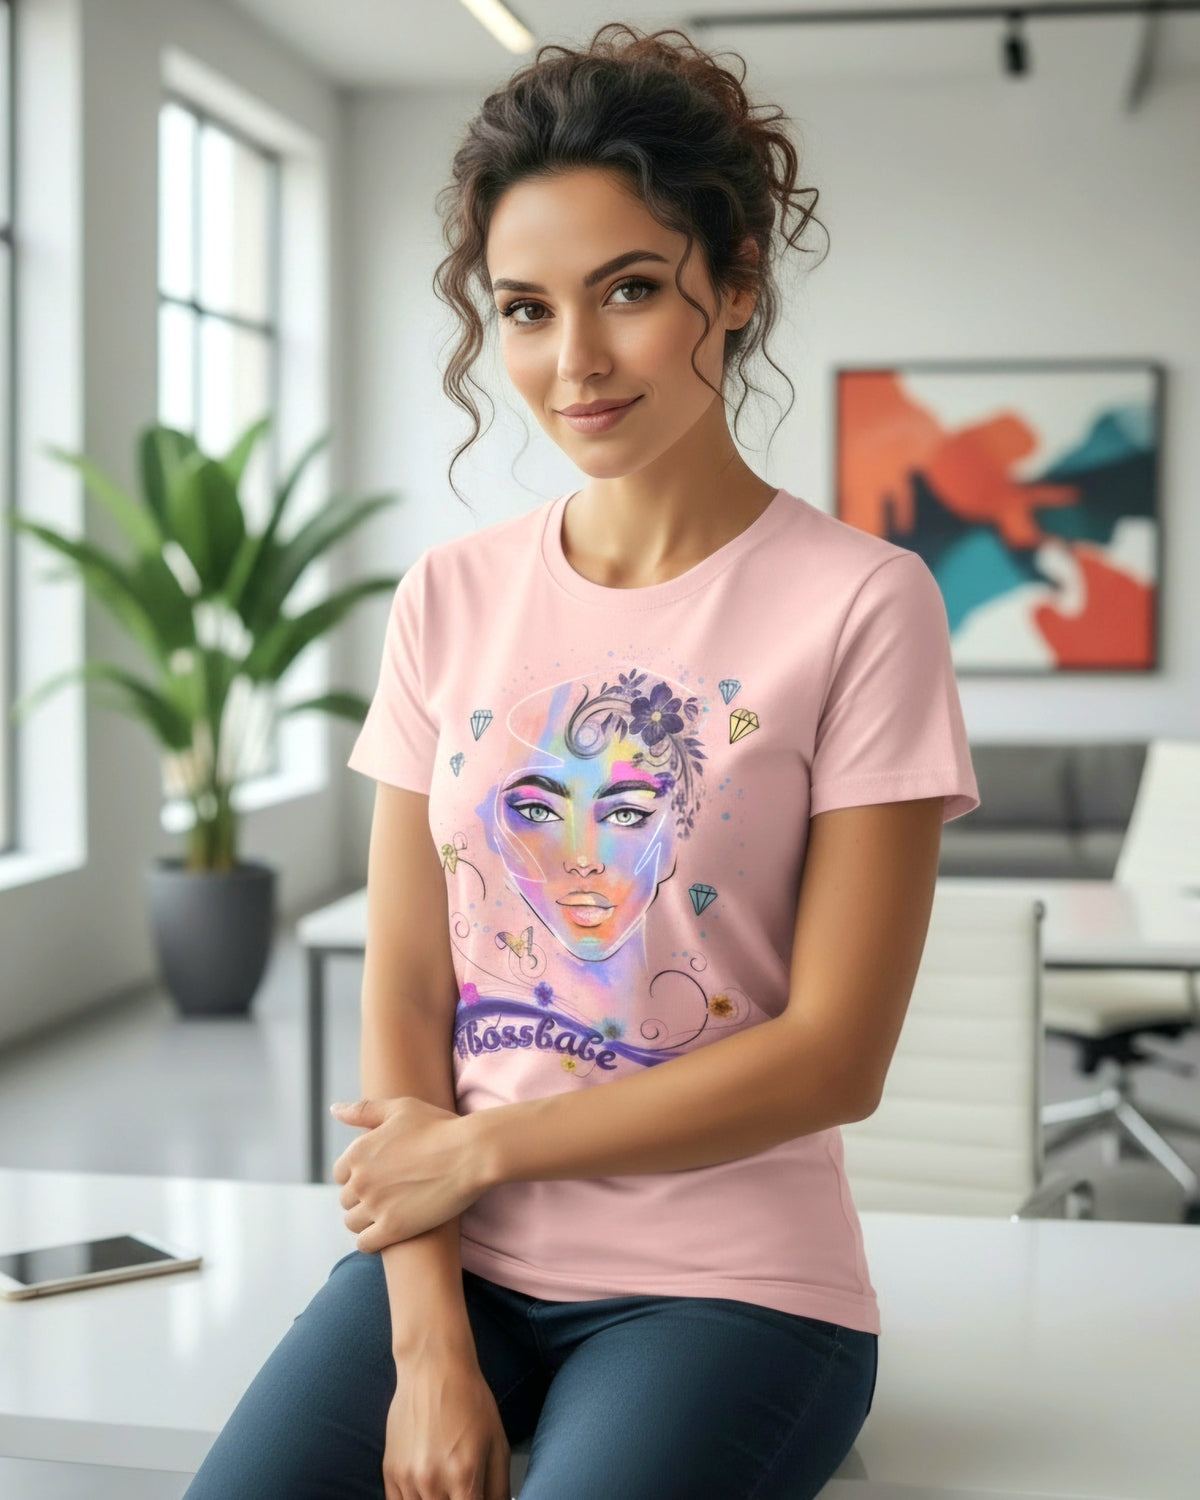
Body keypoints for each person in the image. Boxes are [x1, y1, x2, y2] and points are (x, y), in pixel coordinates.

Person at [182, 21, 979, 1500]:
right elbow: (413, 993)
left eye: (627, 291)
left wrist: (485, 1154)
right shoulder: (450, 596)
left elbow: (834, 1059)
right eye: (525, 310)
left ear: (733, 287)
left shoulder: (866, 604)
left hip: (733, 1289)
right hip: (452, 1264)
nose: (573, 362)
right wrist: (428, 1343)